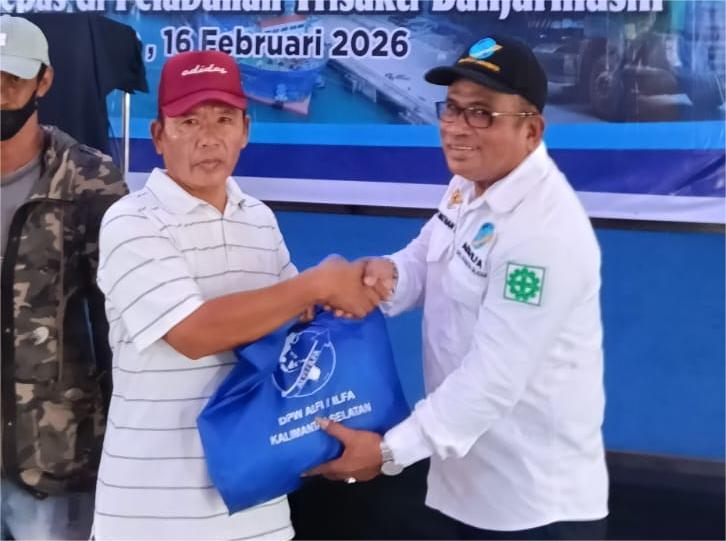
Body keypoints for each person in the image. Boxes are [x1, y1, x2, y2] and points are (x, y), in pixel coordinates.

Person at [307, 35, 609, 540]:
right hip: (467, 488)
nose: (456, 127)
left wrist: (388, 451)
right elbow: (426, 258)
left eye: (482, 114)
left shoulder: (542, 234)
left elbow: (493, 378)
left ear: (531, 129)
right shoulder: (471, 184)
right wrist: (380, 278)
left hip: (534, 509)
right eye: (451, 108)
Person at [93, 50, 384, 540]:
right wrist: (316, 284)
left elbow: (299, 325)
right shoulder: (131, 221)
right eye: (188, 122)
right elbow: (193, 333)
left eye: (224, 119)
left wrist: (365, 281)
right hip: (150, 516)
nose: (208, 138)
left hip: (258, 511)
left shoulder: (259, 218)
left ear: (245, 130)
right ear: (159, 136)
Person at [0, 15, 128, 540]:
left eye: (12, 80)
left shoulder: (90, 181)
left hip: (49, 453)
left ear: (44, 81)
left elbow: (119, 320)